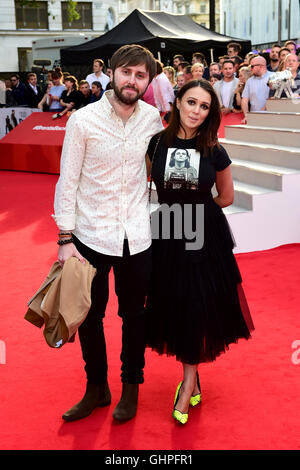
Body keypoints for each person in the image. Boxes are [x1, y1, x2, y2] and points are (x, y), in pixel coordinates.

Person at [52, 44, 163, 423]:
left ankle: (131, 387)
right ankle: (96, 388)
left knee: (135, 315)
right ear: (112, 73)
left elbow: (160, 172)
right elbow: (68, 181)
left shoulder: (152, 119)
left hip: (138, 235)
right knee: (90, 316)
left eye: (140, 75)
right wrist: (66, 238)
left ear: (148, 81)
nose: (132, 81)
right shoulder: (82, 120)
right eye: (126, 72)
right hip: (90, 236)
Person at [145, 79, 254, 424]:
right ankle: (192, 372)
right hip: (167, 231)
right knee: (175, 302)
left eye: (204, 106)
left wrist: (196, 209)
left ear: (211, 112)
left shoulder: (214, 149)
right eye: (191, 102)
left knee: (195, 303)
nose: (196, 111)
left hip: (202, 234)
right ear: (177, 102)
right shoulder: (156, 143)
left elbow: (226, 197)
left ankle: (188, 379)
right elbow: (152, 184)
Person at [241, 55, 271, 123]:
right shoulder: (249, 81)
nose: (250, 69)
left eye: (252, 66)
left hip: (271, 117)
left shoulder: (274, 76)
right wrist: (246, 115)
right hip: (254, 119)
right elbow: (244, 100)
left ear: (260, 66)